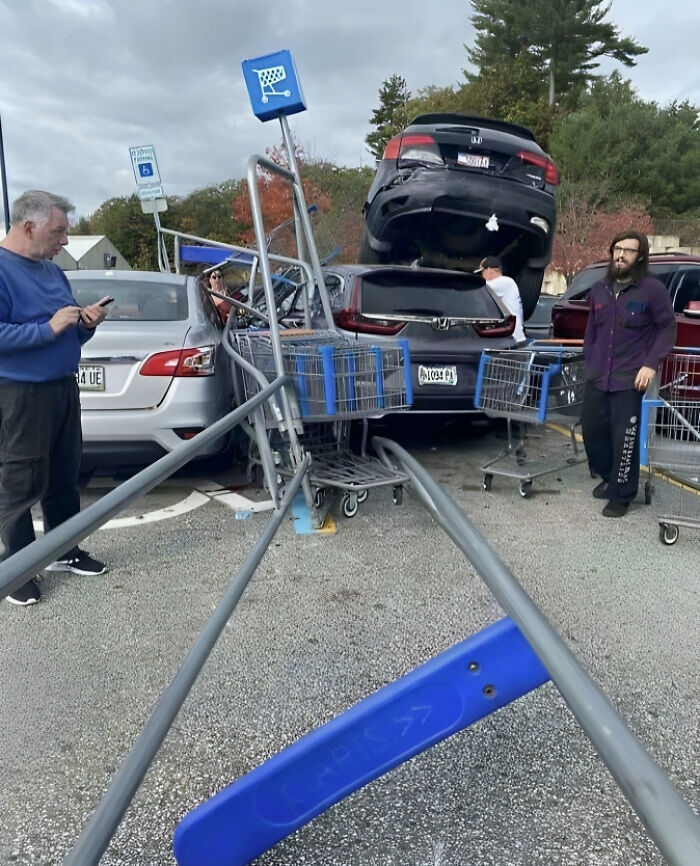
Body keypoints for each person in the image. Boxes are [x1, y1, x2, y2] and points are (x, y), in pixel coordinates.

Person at [0, 190, 110, 606]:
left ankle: (65, 551)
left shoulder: (52, 272)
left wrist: (85, 324)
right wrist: (47, 329)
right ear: (29, 227)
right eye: (58, 231)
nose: (65, 241)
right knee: (20, 480)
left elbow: (68, 330)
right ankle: (18, 569)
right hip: (20, 392)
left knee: (64, 474)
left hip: (62, 385)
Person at [581, 231, 676, 518]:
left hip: (629, 378)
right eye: (617, 249)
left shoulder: (653, 290)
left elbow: (667, 328)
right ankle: (609, 477)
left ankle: (622, 495)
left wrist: (651, 363)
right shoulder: (599, 289)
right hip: (598, 376)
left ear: (641, 256)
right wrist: (590, 362)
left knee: (624, 439)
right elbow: (592, 331)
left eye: (628, 251)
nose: (620, 255)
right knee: (593, 434)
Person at [474, 256, 527, 347]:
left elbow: (477, 289)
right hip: (512, 337)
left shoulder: (504, 282)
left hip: (513, 339)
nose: (482, 276)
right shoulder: (507, 283)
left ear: (489, 270)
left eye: (482, 272)